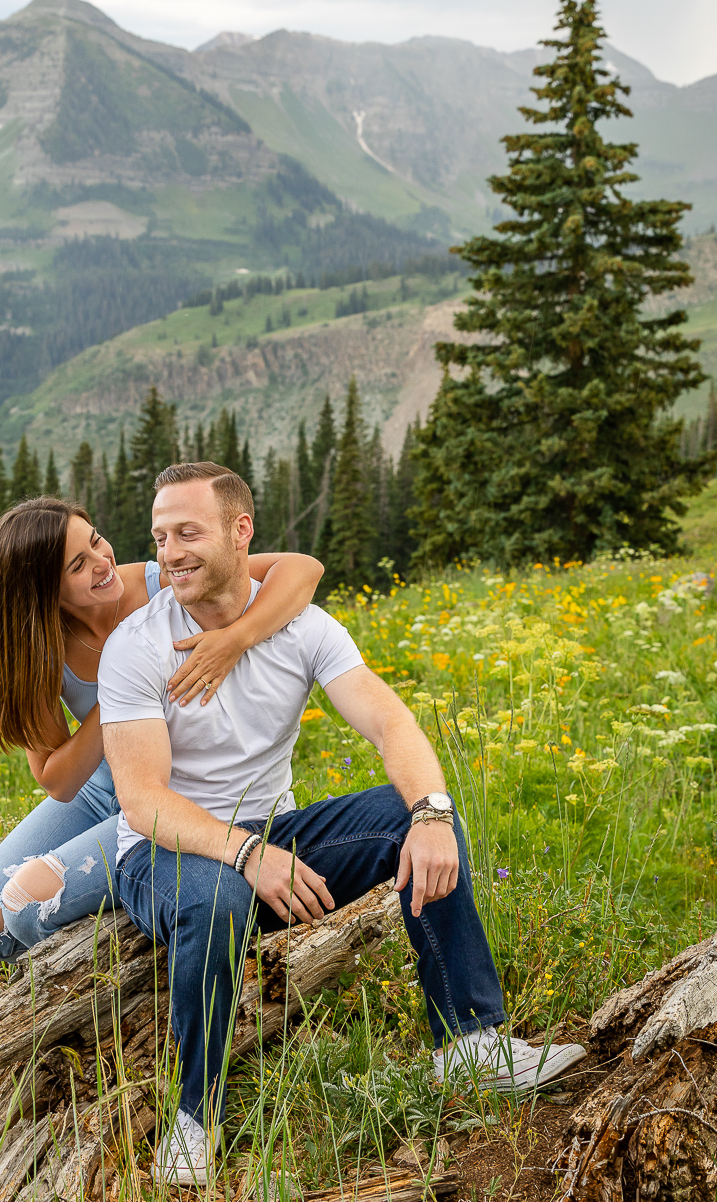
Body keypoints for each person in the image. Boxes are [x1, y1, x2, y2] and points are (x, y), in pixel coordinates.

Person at [98, 462, 587, 1186]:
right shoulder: (137, 645)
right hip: (165, 852)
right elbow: (143, 800)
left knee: (410, 816)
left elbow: (389, 721)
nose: (168, 552)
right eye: (160, 536)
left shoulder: (303, 628)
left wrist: (431, 812)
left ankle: (469, 1044)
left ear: (241, 532)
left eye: (187, 533)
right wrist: (244, 855)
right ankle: (196, 1116)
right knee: (215, 894)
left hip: (272, 831)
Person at [0, 495, 324, 962]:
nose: (103, 563)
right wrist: (121, 687)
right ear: (42, 590)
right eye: (77, 566)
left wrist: (235, 639)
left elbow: (302, 568)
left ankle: (156, 888)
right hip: (101, 791)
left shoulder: (156, 581)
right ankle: (127, 890)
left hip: (173, 790)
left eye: (97, 541)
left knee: (28, 904)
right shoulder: (41, 647)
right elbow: (58, 781)